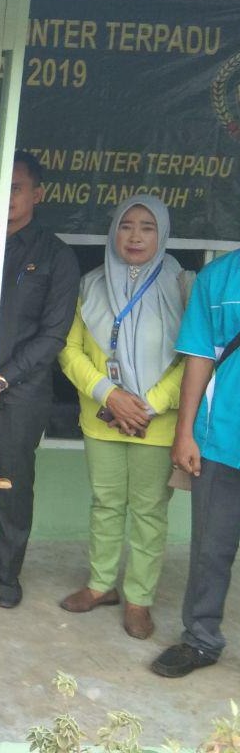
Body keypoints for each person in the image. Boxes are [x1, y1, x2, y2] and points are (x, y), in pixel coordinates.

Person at [58, 195, 189, 640]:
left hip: (157, 422)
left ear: (163, 234)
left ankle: (139, 598)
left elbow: (193, 359)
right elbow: (69, 349)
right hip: (104, 416)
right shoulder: (90, 284)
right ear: (113, 230)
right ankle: (100, 586)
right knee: (106, 504)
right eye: (127, 225)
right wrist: (110, 394)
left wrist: (146, 404)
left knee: (149, 512)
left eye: (147, 227)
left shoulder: (182, 286)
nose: (134, 236)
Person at [0, 151, 80, 608]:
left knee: (13, 482)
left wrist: (2, 379)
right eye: (1, 186)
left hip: (22, 393)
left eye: (17, 188)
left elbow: (54, 334)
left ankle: (7, 574)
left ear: (37, 195)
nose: (8, 198)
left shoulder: (55, 255)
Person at [150, 247, 240, 677]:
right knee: (211, 548)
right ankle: (202, 639)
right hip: (221, 437)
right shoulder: (217, 278)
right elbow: (200, 358)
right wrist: (184, 432)